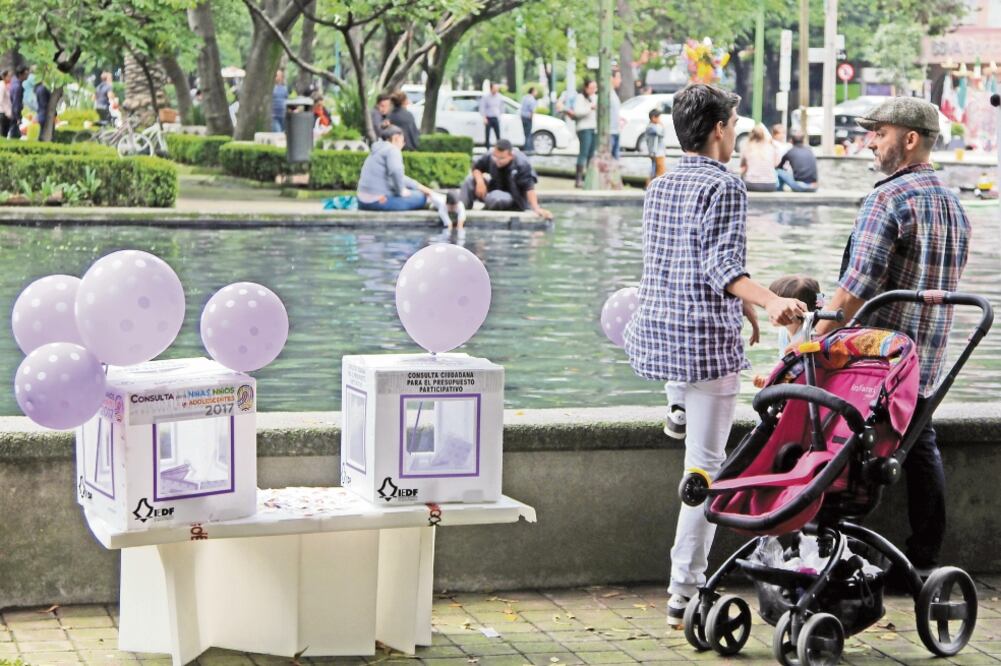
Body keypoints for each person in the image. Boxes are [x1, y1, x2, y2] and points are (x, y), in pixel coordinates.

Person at [621, 83, 805, 627]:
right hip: (704, 345)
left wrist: (743, 304)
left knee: (691, 427)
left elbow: (680, 262)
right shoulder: (726, 185)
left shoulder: (660, 184)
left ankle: (675, 405)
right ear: (720, 129)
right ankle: (684, 590)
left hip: (658, 334)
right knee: (703, 470)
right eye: (735, 125)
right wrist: (770, 301)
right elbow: (723, 267)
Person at [814, 97, 970, 578]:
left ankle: (830, 552)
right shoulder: (954, 204)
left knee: (845, 445)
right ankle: (923, 558)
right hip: (925, 360)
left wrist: (815, 339)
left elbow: (855, 288)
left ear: (911, 139)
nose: (870, 142)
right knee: (919, 446)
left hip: (878, 364)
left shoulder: (888, 198)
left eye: (880, 133)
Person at [356, 125, 464, 229]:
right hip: (377, 202)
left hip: (362, 201)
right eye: (402, 141)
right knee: (422, 197)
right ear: (396, 138)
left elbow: (400, 177)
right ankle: (433, 205)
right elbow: (396, 171)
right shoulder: (392, 149)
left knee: (420, 192)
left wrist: (420, 186)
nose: (403, 145)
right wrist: (401, 191)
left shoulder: (377, 150)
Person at [752, 275, 823, 387]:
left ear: (798, 309)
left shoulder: (808, 336)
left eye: (778, 304)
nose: (771, 309)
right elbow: (783, 365)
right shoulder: (784, 331)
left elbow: (803, 374)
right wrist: (770, 379)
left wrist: (771, 383)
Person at [459, 138, 553, 220]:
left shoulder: (522, 164)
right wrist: (480, 182)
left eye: (501, 158)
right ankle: (460, 210)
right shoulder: (491, 156)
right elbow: (476, 168)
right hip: (492, 190)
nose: (497, 161)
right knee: (468, 181)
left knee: (496, 197)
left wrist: (536, 208)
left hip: (512, 198)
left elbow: (529, 189)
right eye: (495, 157)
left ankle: (488, 206)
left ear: (511, 156)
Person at [573, 78, 598, 187]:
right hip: (584, 128)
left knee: (591, 154)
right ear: (586, 88)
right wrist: (590, 108)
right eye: (591, 88)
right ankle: (578, 179)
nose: (593, 90)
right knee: (583, 153)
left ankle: (589, 179)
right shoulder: (580, 97)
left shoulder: (595, 97)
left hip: (594, 128)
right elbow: (577, 112)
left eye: (595, 88)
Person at [740, 124, 780, 192]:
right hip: (771, 185)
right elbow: (776, 164)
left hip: (751, 184)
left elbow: (742, 166)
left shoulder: (747, 147)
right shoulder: (770, 147)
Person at [644, 108, 667, 187]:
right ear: (653, 118)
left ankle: (650, 186)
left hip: (657, 152)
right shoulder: (651, 127)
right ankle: (652, 186)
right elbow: (662, 133)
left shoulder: (652, 126)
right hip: (656, 153)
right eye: (658, 117)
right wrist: (662, 125)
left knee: (654, 170)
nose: (660, 119)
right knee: (659, 171)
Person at [479, 82, 503, 150]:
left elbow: (501, 107)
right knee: (487, 135)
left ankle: (499, 148)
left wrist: (500, 115)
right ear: (491, 88)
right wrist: (484, 118)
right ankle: (487, 149)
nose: (496, 89)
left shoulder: (499, 97)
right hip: (488, 118)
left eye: (497, 88)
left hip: (496, 118)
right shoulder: (486, 97)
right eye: (495, 88)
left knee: (498, 135)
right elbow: (482, 108)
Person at [8, 66, 28, 139]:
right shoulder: (18, 87)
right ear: (20, 74)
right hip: (14, 115)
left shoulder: (14, 82)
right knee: (14, 136)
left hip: (11, 113)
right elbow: (16, 103)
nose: (27, 76)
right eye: (25, 74)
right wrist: (18, 117)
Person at [519, 87, 537, 154]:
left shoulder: (524, 97)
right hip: (528, 117)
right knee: (528, 133)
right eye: (535, 91)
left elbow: (521, 107)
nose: (536, 93)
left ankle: (526, 147)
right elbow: (532, 110)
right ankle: (528, 149)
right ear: (532, 91)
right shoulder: (532, 99)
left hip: (523, 117)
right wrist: (532, 117)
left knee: (525, 133)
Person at [610, 69, 622, 160]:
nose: (620, 80)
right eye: (618, 77)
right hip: (609, 132)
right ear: (611, 78)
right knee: (609, 159)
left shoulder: (614, 93)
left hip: (616, 131)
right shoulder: (607, 93)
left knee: (615, 160)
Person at [0, 70, 11, 138]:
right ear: (4, 77)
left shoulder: (4, 85)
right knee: (3, 134)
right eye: (8, 76)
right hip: (3, 113)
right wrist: (7, 112)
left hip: (5, 113)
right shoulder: (2, 86)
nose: (10, 78)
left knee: (5, 134)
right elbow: (0, 101)